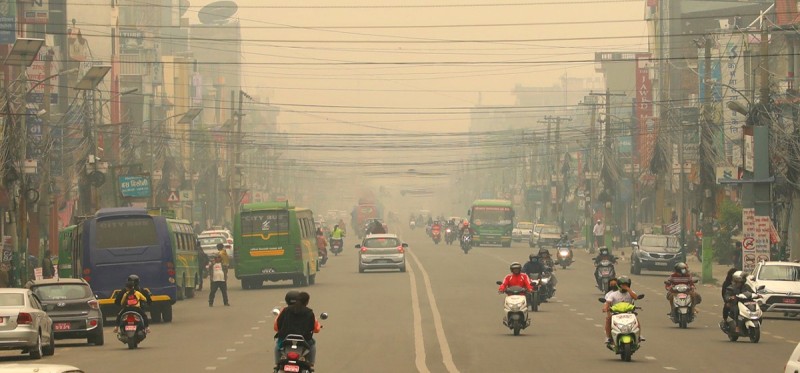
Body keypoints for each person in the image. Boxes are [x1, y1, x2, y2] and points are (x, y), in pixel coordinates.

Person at [274, 291, 321, 370]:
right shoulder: (309, 312)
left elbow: (277, 326)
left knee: (277, 346)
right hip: (304, 339)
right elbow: (314, 328)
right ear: (307, 302)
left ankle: (277, 363)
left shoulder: (285, 310)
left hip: (285, 338)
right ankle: (311, 363)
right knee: (312, 345)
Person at [602, 276, 642, 344]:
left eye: (626, 285)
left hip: (629, 313)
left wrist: (628, 289)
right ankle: (608, 337)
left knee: (636, 321)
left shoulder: (631, 292)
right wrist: (605, 308)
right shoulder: (613, 294)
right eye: (623, 285)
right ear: (618, 285)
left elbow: (635, 297)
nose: (624, 286)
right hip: (616, 313)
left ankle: (638, 336)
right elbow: (608, 302)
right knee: (608, 320)